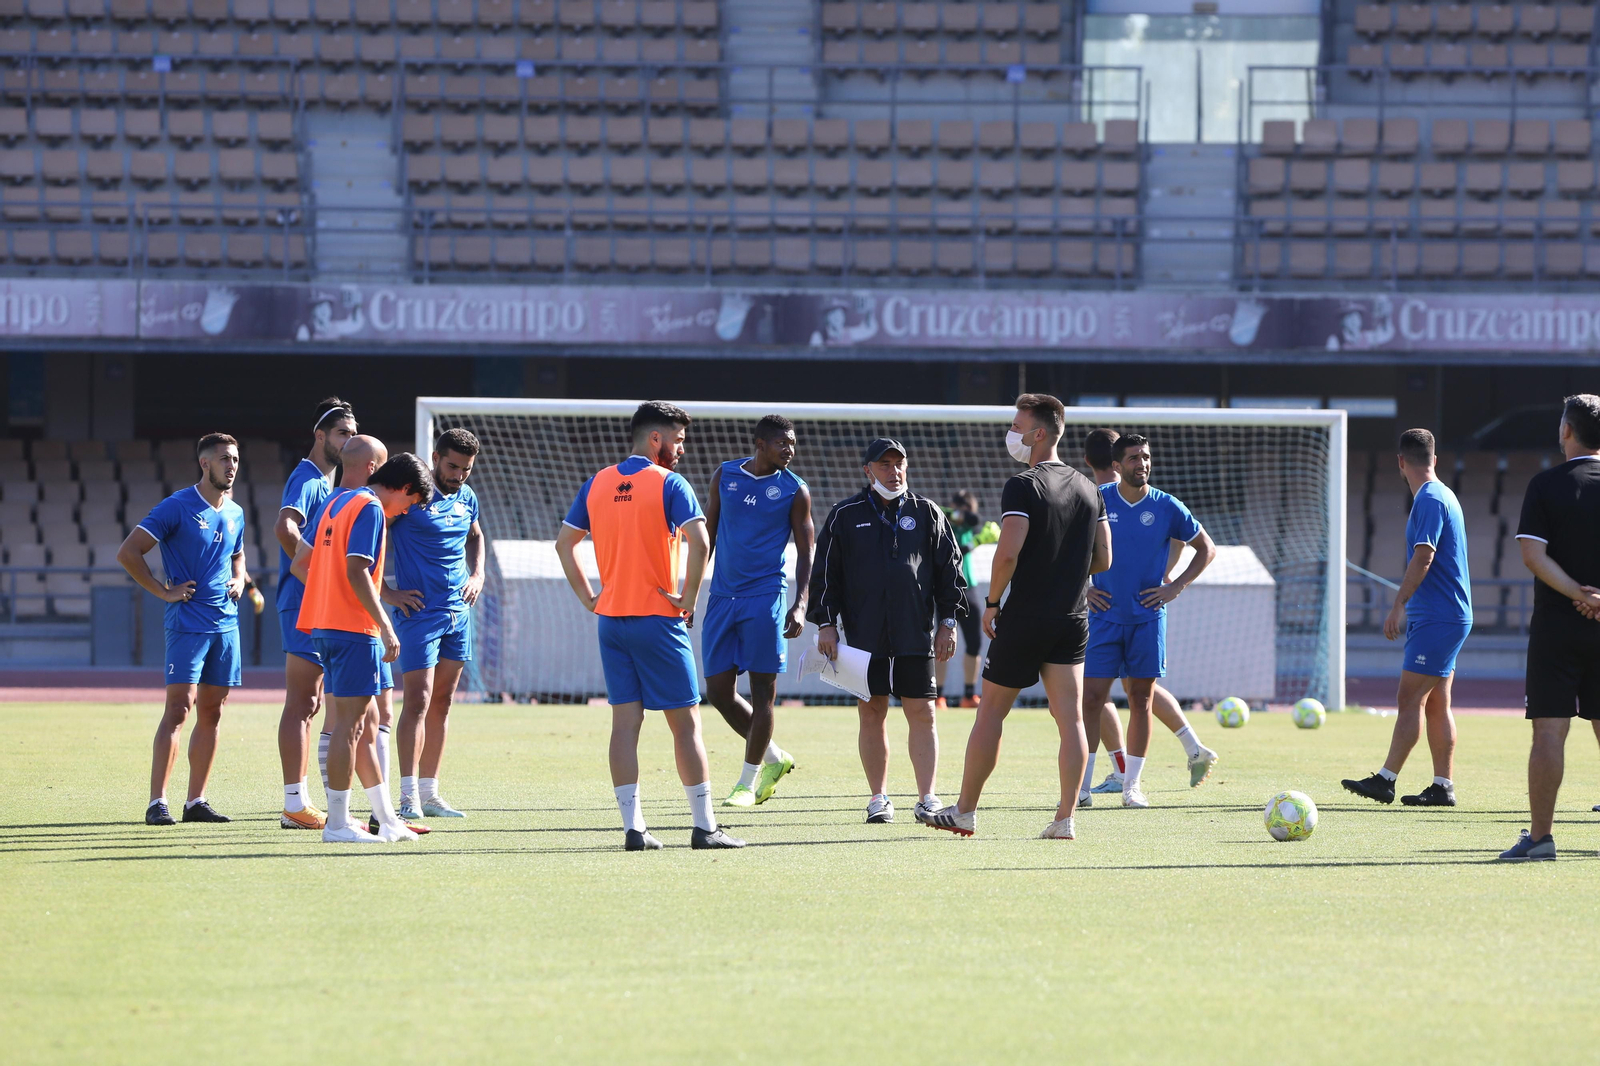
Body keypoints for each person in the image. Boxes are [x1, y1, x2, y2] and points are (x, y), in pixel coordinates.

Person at [555, 401, 744, 851]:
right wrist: (690, 597)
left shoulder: (597, 482)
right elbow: (701, 541)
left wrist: (588, 598)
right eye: (677, 440)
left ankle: (633, 830)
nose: (681, 449)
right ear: (655, 439)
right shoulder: (670, 483)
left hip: (611, 622)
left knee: (625, 725)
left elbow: (565, 545)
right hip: (659, 620)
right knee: (686, 726)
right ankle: (704, 827)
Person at [919, 395, 1109, 839]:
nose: (1012, 432)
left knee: (990, 715)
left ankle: (964, 811)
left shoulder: (1023, 484)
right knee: (1072, 720)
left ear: (1038, 433)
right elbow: (1104, 559)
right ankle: (1065, 819)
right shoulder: (1089, 487)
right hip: (1073, 618)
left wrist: (991, 603)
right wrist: (1065, 566)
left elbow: (1007, 553)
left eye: (1017, 424)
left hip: (1024, 617)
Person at [807, 436, 964, 825]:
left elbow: (950, 574)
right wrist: (826, 623)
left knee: (923, 713)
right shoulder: (845, 515)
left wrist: (947, 623)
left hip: (915, 635)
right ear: (867, 470)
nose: (894, 472)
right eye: (885, 465)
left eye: (899, 464)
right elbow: (825, 575)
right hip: (864, 638)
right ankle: (878, 798)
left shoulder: (928, 512)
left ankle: (927, 797)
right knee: (871, 712)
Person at [293, 453, 434, 843]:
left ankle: (386, 818)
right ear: (404, 489)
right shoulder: (370, 508)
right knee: (351, 727)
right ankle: (337, 824)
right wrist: (386, 625)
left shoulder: (339, 500)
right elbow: (357, 569)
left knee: (368, 725)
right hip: (352, 629)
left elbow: (300, 564)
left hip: (325, 625)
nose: (407, 512)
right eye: (412, 502)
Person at [1078, 428, 1220, 802]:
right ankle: (1081, 787)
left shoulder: (1167, 505)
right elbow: (1065, 548)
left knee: (1141, 698)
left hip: (1148, 618)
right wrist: (1084, 588)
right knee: (1091, 698)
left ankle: (1132, 786)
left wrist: (1176, 586)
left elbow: (1206, 548)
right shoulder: (1097, 499)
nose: (1141, 464)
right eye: (1133, 458)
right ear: (1116, 465)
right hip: (1103, 618)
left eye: (1145, 457)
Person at [117, 433, 249, 826]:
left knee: (213, 711)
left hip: (226, 626)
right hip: (188, 625)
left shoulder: (237, 512)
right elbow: (128, 552)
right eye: (225, 458)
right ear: (204, 463)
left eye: (236, 459)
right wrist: (162, 591)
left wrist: (240, 579)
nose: (232, 466)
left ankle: (196, 801)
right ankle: (158, 802)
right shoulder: (177, 506)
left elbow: (238, 553)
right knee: (178, 709)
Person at [1342, 429, 1472, 807]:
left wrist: (1398, 604)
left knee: (1409, 696)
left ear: (1401, 461)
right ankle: (1442, 786)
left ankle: (1385, 780)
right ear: (1435, 458)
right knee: (1435, 702)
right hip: (1447, 615)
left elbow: (1424, 555)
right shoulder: (1443, 494)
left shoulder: (1429, 499)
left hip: (1438, 616)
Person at [1499, 394, 1600, 861]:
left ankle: (1541, 838)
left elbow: (1532, 556)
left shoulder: (1545, 484)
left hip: (1558, 630)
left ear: (1566, 431)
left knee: (1549, 733)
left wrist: (1579, 595)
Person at [701, 414, 812, 808]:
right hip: (721, 598)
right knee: (716, 691)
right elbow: (707, 537)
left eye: (793, 443)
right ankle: (773, 757)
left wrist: (799, 604)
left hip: (766, 597)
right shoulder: (725, 476)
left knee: (763, 692)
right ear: (761, 444)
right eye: (783, 443)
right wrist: (686, 593)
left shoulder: (795, 490)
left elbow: (806, 552)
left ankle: (747, 783)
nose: (790, 449)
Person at [388, 427, 486, 821]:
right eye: (452, 466)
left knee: (442, 703)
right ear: (435, 457)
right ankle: (408, 796)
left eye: (466, 469)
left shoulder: (467, 497)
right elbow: (369, 541)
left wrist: (477, 576)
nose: (459, 475)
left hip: (457, 614)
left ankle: (430, 793)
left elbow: (476, 537)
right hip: (417, 616)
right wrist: (387, 592)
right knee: (417, 701)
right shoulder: (410, 495)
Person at [275, 397, 357, 830]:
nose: (350, 439)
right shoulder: (308, 478)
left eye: (353, 432)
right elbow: (284, 527)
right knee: (304, 701)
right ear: (320, 436)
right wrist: (316, 575)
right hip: (303, 599)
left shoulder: (329, 484)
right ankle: (294, 802)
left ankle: (314, 801)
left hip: (316, 601)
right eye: (343, 432)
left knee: (320, 702)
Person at [942, 490, 997, 709]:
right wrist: (978, 542)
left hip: (969, 587)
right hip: (946, 587)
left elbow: (973, 519)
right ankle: (938, 695)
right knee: (941, 641)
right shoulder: (945, 516)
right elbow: (955, 552)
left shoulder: (963, 522)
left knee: (974, 642)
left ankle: (969, 694)